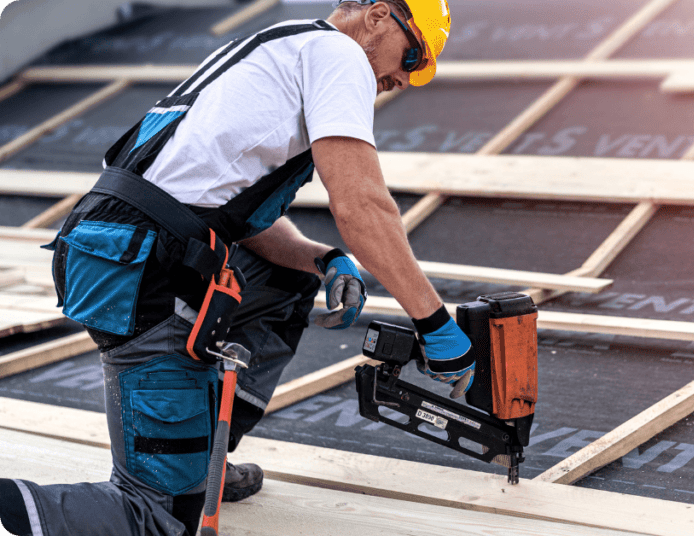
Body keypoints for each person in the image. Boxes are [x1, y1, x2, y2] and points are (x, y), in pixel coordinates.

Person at [0, 0, 475, 534]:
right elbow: (362, 206)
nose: (403, 80)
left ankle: (205, 459)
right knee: (161, 516)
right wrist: (435, 323)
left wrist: (323, 259)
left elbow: (210, 203)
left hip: (121, 246)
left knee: (291, 277)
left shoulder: (284, 45)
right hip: (137, 270)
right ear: (378, 16)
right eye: (412, 57)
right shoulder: (340, 55)